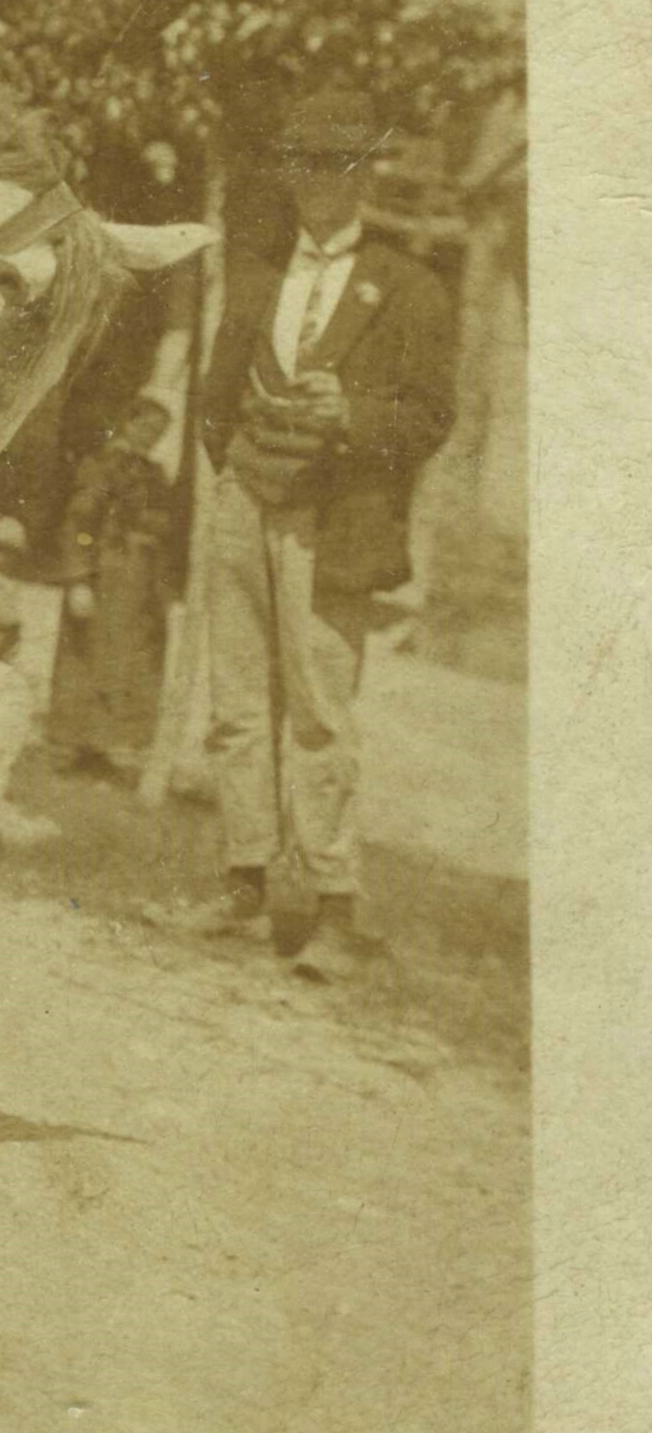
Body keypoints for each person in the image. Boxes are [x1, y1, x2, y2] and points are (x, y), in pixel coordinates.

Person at [176, 88, 455, 981]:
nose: (316, 183)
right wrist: (240, 473)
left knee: (322, 710)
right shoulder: (261, 273)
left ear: (368, 172)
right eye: (301, 163)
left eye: (336, 164)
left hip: (337, 521)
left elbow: (430, 419)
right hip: (245, 504)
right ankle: (246, 883)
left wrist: (351, 415)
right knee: (235, 703)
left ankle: (332, 906)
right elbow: (217, 399)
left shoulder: (410, 287)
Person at [46, 394, 176, 774]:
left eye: (159, 431)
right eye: (147, 427)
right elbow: (80, 525)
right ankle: (73, 748)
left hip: (139, 584)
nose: (152, 437)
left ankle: (108, 747)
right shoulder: (103, 466)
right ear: (128, 422)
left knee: (126, 663)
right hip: (105, 575)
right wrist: (79, 580)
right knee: (88, 657)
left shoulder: (151, 472)